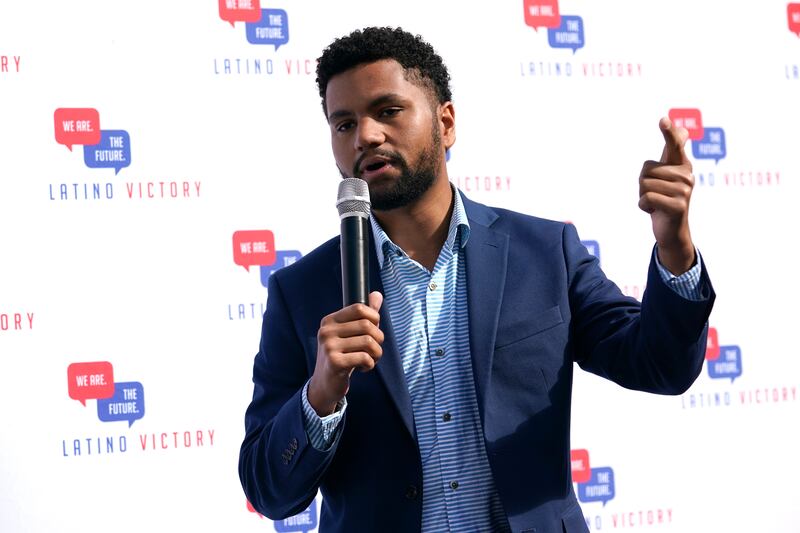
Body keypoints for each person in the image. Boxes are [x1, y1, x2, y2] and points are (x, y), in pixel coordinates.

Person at [238, 26, 715, 533]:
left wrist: (675, 247)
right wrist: (320, 395)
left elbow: (661, 365)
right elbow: (268, 491)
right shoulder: (301, 293)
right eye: (344, 124)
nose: (366, 136)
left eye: (388, 111)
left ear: (446, 123)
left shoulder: (544, 253)